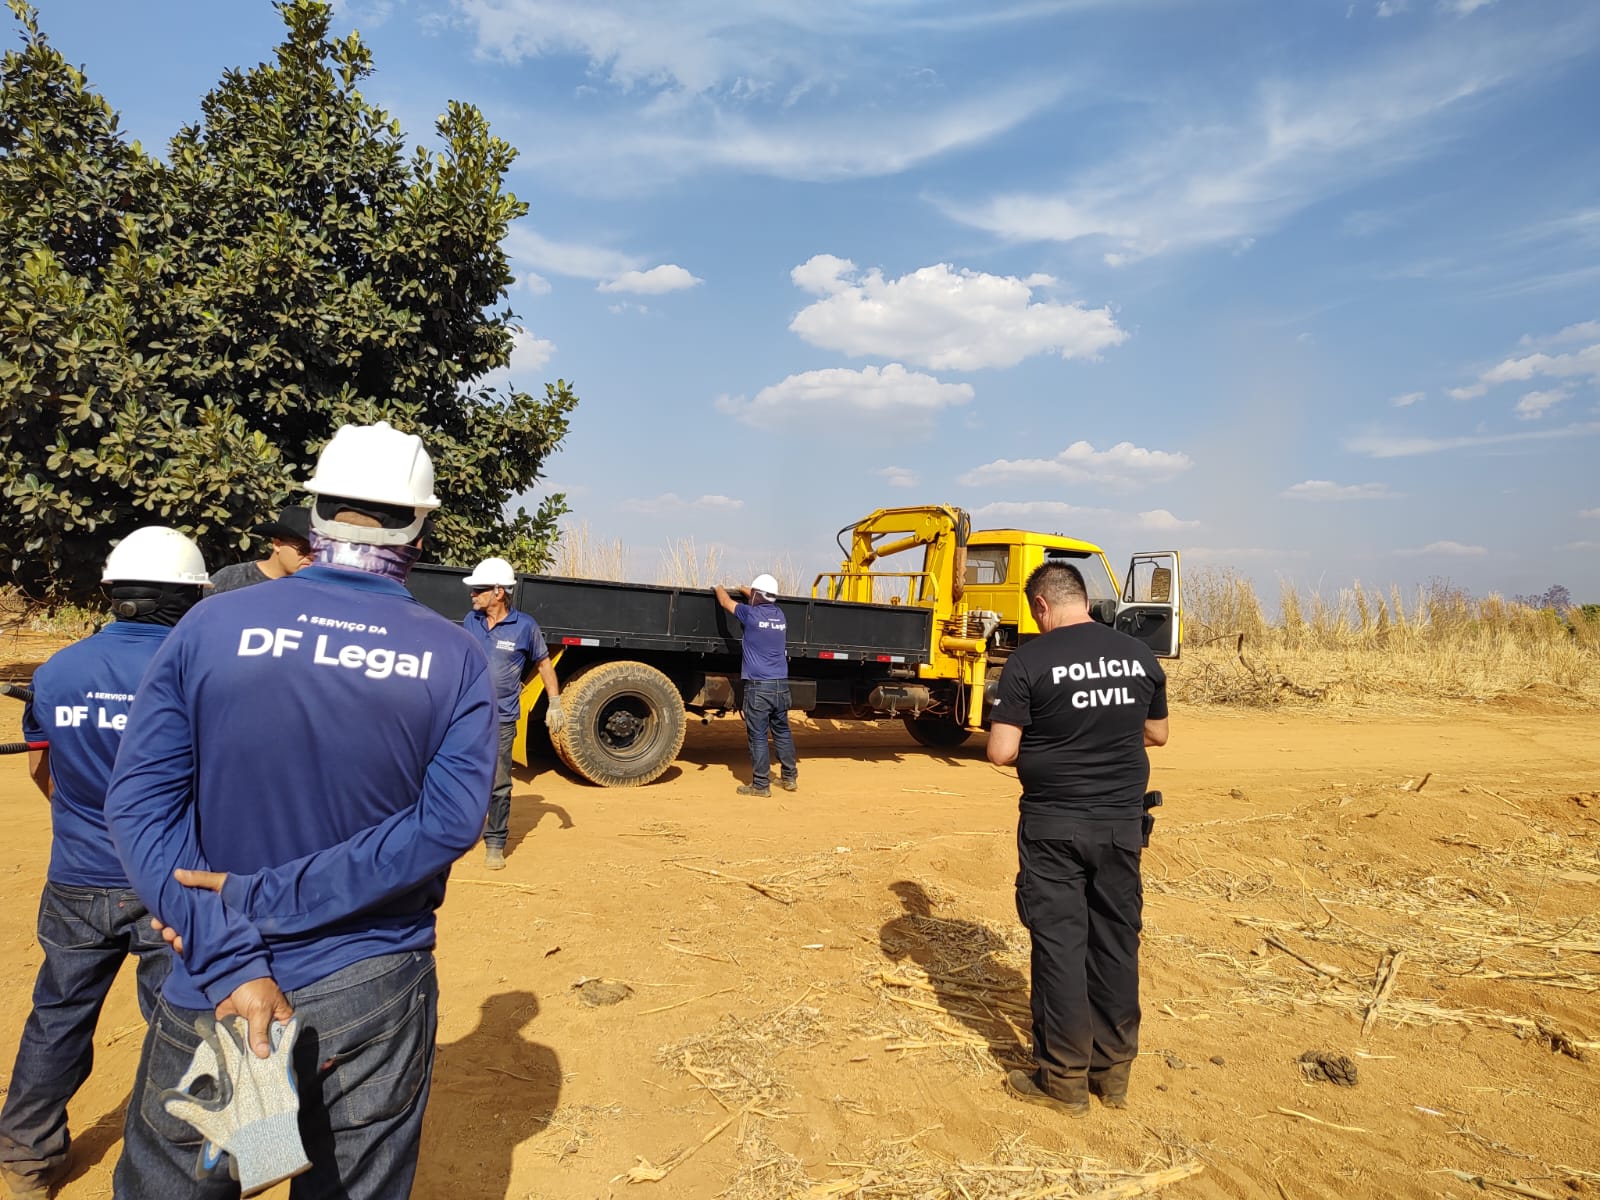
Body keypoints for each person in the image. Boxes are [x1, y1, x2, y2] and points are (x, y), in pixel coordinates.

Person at [103, 420, 497, 1199]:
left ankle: (254, 1142)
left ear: (314, 511)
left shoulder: (211, 623)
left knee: (194, 1181)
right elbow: (448, 824)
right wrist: (271, 897)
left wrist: (230, 952)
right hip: (369, 980)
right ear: (420, 522)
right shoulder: (454, 654)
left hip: (223, 983)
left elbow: (141, 803)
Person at [0, 528, 210, 1200]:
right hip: (170, 883)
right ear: (186, 600)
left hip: (76, 877)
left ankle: (26, 1158)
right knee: (181, 1023)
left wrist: (88, 818)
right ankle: (182, 1159)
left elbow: (43, 767)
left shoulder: (57, 670)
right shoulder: (197, 673)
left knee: (58, 1015)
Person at [985, 561, 1169, 1116]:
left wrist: (1054, 729)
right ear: (1082, 599)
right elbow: (1157, 733)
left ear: (1042, 605)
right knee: (1116, 941)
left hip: (1053, 828)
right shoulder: (1138, 656)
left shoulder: (1029, 660)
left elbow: (1001, 751)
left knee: (1061, 946)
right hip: (1120, 826)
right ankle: (1113, 1074)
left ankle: (1063, 1079)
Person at [461, 556, 563, 870]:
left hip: (502, 718)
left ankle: (495, 843)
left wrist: (555, 703)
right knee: (461, 776)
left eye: (479, 590)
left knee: (500, 782)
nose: (472, 595)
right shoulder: (471, 620)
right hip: (468, 715)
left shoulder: (525, 627)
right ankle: (458, 836)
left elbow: (544, 664)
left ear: (499, 592)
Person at [714, 573, 798, 798]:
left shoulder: (749, 614)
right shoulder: (780, 615)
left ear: (756, 596)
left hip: (759, 688)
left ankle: (760, 786)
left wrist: (719, 585)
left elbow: (724, 602)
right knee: (782, 731)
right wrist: (744, 587)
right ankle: (789, 778)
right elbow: (759, 595)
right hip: (781, 685)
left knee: (758, 735)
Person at [206, 505, 313, 593]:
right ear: (277, 544)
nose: (312, 557)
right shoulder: (231, 579)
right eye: (304, 549)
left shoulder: (315, 590)